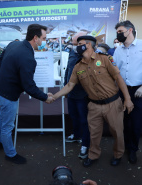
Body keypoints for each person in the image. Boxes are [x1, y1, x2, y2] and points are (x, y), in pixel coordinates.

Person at [53, 35, 134, 167]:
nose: (77, 46)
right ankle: (93, 155)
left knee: (117, 132)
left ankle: (118, 154)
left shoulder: (105, 59)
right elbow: (69, 86)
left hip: (112, 103)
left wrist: (128, 99)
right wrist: (54, 97)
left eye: (79, 44)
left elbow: (118, 78)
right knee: (94, 134)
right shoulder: (78, 66)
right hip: (94, 105)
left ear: (89, 45)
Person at [0, 24, 54, 164]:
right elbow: (28, 86)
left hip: (0, 89)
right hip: (8, 95)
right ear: (35, 38)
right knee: (7, 126)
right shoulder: (27, 57)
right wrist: (45, 97)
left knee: (2, 117)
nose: (45, 41)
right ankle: (10, 154)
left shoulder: (14, 44)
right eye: (44, 38)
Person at [113, 20, 142, 164]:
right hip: (121, 91)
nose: (118, 34)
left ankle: (133, 150)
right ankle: (121, 149)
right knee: (122, 123)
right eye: (117, 32)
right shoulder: (118, 50)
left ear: (130, 30)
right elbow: (115, 72)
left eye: (120, 31)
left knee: (136, 124)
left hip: (139, 92)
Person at [64, 32, 90, 159]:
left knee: (84, 119)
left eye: (77, 43)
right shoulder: (72, 52)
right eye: (75, 43)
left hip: (82, 94)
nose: (75, 45)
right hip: (71, 93)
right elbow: (68, 70)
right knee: (73, 115)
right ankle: (76, 135)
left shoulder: (87, 55)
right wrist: (65, 87)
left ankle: (85, 143)